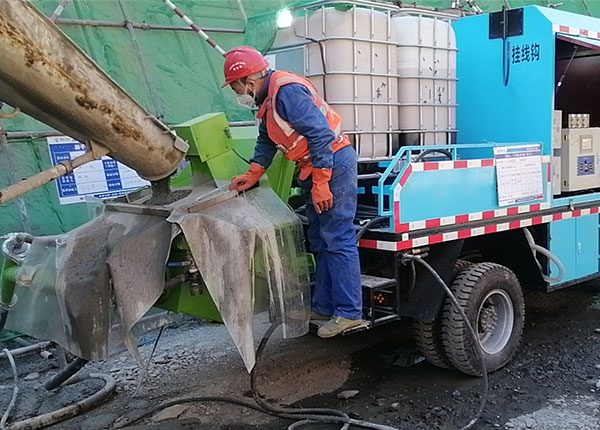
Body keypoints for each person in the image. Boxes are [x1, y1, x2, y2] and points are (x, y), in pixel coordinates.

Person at [223, 46, 362, 338]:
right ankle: (324, 305)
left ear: (248, 80)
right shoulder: (268, 100)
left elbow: (320, 134)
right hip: (314, 167)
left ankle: (349, 313)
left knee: (337, 238)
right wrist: (253, 172)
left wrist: (323, 181)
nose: (237, 92)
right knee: (319, 239)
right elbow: (266, 139)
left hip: (332, 163)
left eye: (235, 85)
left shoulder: (286, 91)